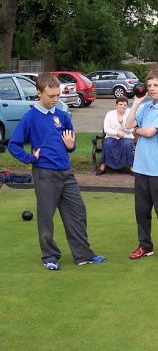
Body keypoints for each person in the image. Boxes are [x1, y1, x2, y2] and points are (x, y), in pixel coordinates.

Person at [8, 72, 106, 270]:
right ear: (39, 93)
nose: (55, 100)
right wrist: (30, 158)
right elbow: (13, 145)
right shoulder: (30, 117)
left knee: (78, 212)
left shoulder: (61, 115)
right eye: (51, 96)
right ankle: (50, 256)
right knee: (46, 217)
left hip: (66, 172)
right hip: (45, 174)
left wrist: (71, 146)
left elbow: (71, 142)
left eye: (57, 96)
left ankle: (83, 254)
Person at [125, 69, 158, 261]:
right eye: (149, 86)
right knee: (141, 211)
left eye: (156, 85)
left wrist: (137, 130)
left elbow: (149, 132)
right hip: (140, 168)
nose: (152, 89)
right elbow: (128, 125)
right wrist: (137, 103)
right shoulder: (145, 107)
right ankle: (145, 246)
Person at [96, 96, 134, 175]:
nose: (123, 106)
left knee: (126, 144)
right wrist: (116, 133)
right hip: (112, 136)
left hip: (126, 136)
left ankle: (131, 167)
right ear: (116, 105)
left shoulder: (130, 114)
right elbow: (106, 129)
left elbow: (130, 130)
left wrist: (122, 124)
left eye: (125, 105)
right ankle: (103, 166)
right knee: (107, 143)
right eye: (120, 104)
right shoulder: (110, 114)